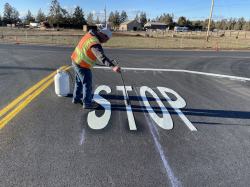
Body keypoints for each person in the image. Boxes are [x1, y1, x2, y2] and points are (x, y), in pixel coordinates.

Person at [71, 28, 121, 109]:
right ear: (102, 34)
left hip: (75, 61)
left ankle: (76, 99)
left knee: (79, 81)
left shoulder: (89, 36)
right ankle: (87, 103)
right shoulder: (94, 43)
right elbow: (101, 57)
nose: (105, 41)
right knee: (87, 84)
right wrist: (113, 66)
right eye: (106, 39)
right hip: (82, 65)